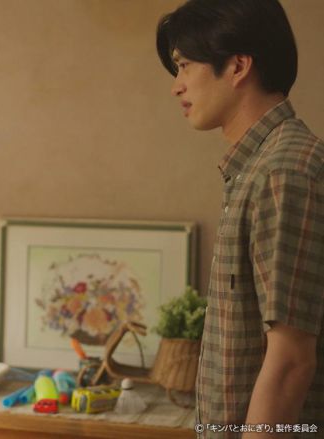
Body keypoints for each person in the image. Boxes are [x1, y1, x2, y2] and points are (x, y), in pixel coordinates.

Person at [156, 1, 324, 437]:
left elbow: (291, 360)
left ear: (238, 66)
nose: (176, 86)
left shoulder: (283, 171)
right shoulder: (256, 168)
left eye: (184, 65)